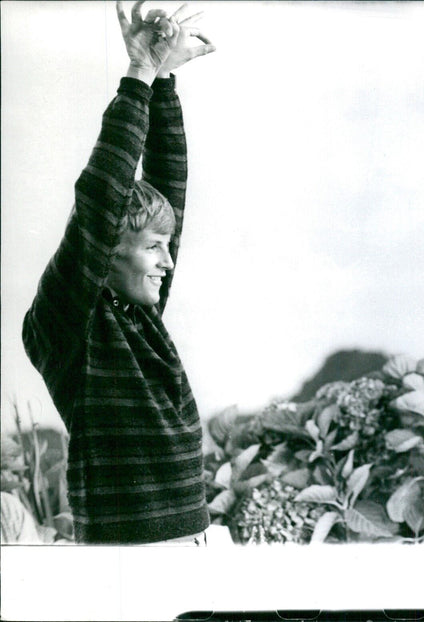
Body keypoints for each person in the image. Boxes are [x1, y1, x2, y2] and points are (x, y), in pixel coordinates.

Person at [22, 1, 216, 544]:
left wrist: (167, 78)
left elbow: (168, 181)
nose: (168, 261)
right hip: (129, 563)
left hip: (188, 548)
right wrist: (138, 75)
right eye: (153, 247)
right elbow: (102, 190)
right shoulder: (69, 328)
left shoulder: (139, 319)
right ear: (105, 251)